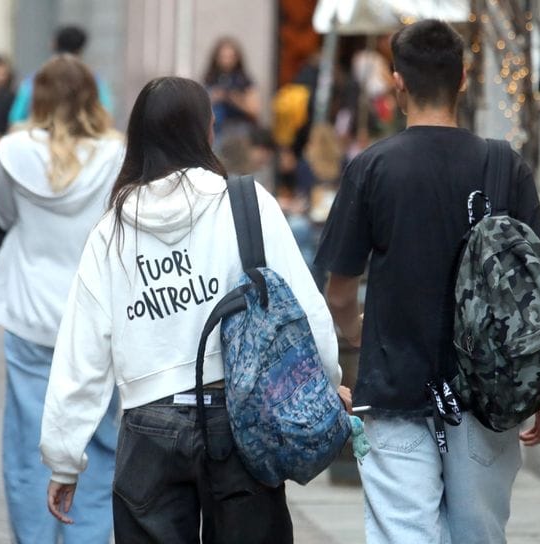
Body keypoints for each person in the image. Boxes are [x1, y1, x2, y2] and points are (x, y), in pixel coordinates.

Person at [40, 76, 341, 542]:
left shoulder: (113, 229)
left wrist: (64, 457)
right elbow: (303, 310)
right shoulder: (244, 202)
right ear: (206, 132)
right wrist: (327, 381)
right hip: (239, 419)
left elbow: (81, 349)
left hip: (148, 423)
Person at [314, 20, 540, 544]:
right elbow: (536, 292)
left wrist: (354, 337)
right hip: (487, 394)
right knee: (480, 534)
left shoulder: (372, 167)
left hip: (396, 387)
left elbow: (339, 291)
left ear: (397, 82)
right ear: (464, 79)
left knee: (404, 534)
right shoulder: (505, 165)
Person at [0, 54, 123, 544]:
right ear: (93, 97)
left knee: (28, 443)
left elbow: (2, 215)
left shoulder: (15, 152)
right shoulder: (116, 156)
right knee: (102, 438)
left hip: (29, 311)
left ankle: (35, 537)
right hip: (96, 315)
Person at [7, 26, 114, 126]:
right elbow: (106, 115)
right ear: (81, 49)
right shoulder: (94, 81)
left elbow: (16, 118)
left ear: (54, 45)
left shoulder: (34, 80)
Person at [203, 37, 260, 144]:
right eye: (223, 57)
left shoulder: (244, 81)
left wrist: (232, 97)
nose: (226, 61)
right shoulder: (210, 79)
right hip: (216, 130)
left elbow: (254, 109)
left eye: (230, 57)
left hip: (238, 129)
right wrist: (214, 97)